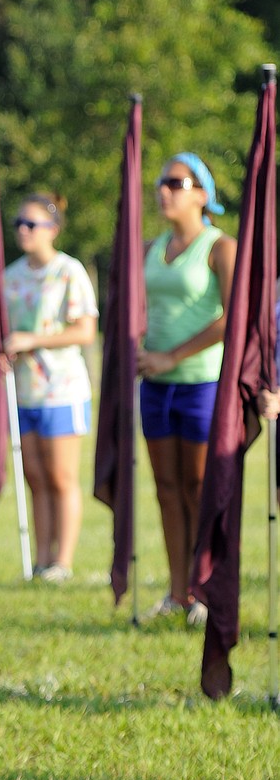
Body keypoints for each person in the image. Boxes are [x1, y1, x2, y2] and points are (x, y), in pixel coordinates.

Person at [137, 153, 236, 625]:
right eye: (161, 182)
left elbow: (233, 317)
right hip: (155, 387)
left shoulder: (220, 247)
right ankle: (177, 591)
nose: (165, 190)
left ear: (202, 194)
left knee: (198, 487)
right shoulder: (150, 247)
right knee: (166, 488)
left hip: (202, 383)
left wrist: (173, 356)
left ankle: (203, 589)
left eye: (176, 182)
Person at [1, 193, 98, 581]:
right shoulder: (9, 276)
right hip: (22, 391)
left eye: (31, 224)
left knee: (61, 476)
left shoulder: (68, 271)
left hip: (63, 388)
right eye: (19, 224)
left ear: (52, 230)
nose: (23, 231)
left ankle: (64, 561)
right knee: (35, 477)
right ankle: (41, 559)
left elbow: (86, 329)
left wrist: (30, 340)